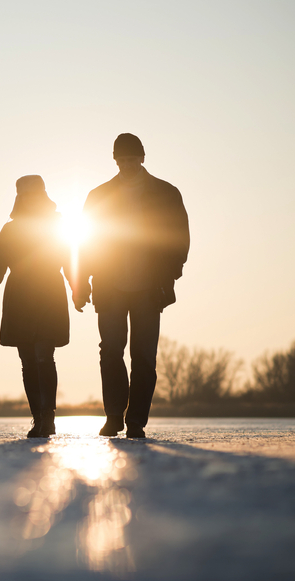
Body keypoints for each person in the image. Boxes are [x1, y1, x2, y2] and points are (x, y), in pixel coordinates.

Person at [74, 133, 190, 439]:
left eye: (131, 158)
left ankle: (136, 420)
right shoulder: (98, 196)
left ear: (142, 157)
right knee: (110, 352)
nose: (126, 164)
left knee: (144, 357)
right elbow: (85, 242)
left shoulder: (166, 193)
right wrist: (80, 282)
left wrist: (170, 275)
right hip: (109, 285)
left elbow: (179, 238)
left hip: (150, 287)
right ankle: (114, 417)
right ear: (115, 160)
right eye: (121, 159)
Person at [0, 175, 73, 438]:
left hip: (49, 296)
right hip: (19, 298)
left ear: (43, 195)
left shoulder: (56, 226)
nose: (30, 199)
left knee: (44, 355)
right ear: (19, 197)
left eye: (35, 193)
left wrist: (78, 288)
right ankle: (38, 417)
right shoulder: (10, 230)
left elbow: (68, 260)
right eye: (25, 194)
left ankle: (48, 418)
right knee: (28, 361)